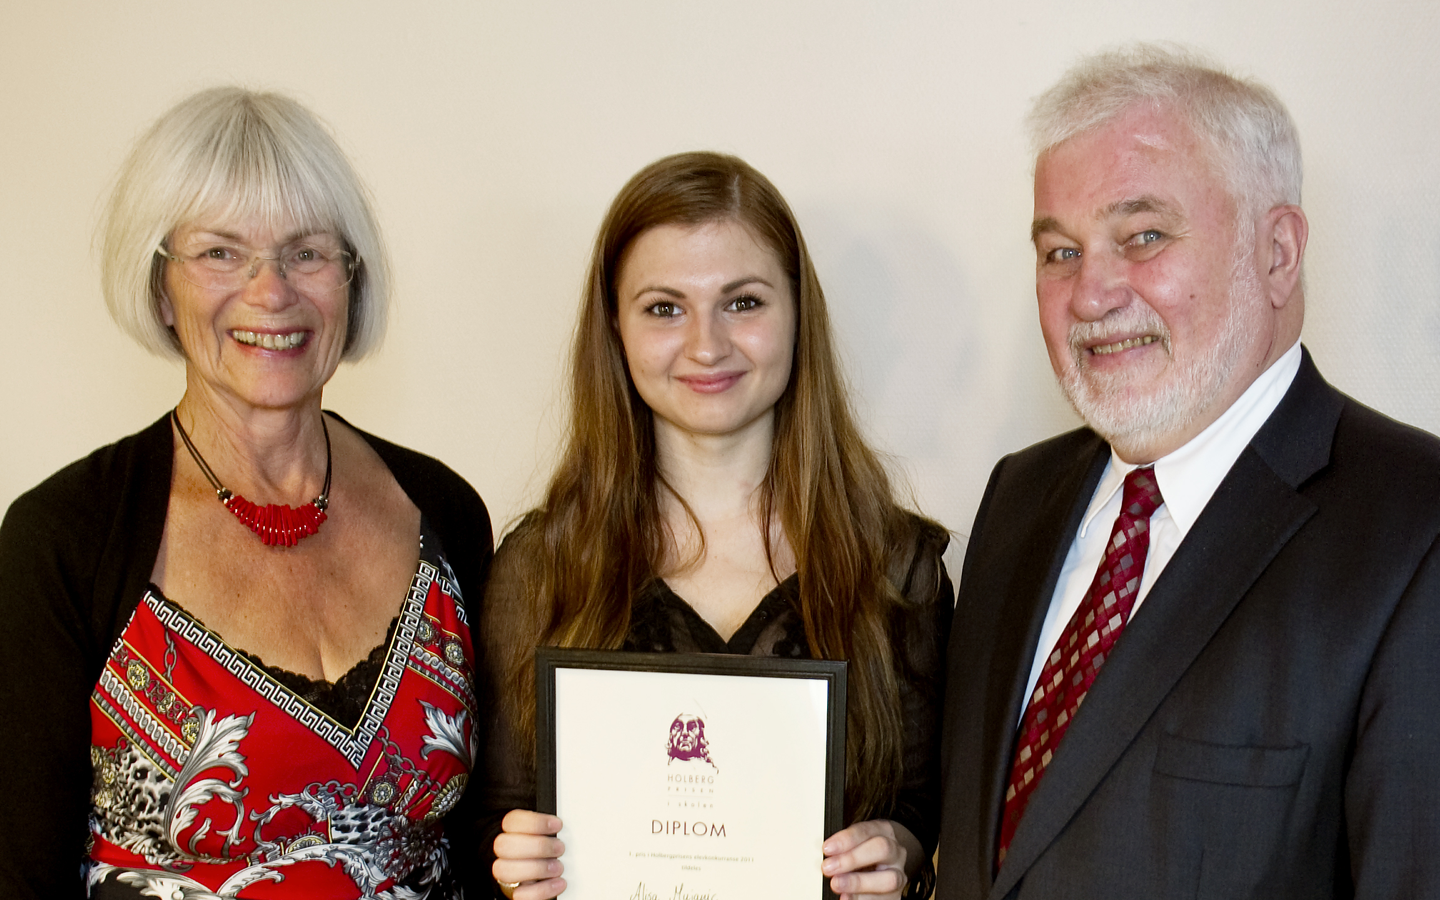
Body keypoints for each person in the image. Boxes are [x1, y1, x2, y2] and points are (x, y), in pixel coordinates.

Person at [935, 44, 1440, 899]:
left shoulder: (1414, 528)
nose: (1091, 294)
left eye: (1144, 237)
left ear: (1278, 252)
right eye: (1059, 251)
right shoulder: (1018, 499)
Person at [0, 88, 492, 898]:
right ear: (163, 288)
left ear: (350, 279)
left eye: (308, 253)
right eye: (221, 253)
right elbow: (19, 873)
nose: (272, 292)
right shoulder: (65, 537)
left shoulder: (443, 511)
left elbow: (486, 832)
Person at [477, 152, 952, 900]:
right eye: (664, 307)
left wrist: (897, 848)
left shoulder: (897, 567)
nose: (706, 345)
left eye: (744, 302)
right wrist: (513, 862)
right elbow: (500, 814)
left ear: (798, 311)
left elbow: (921, 807)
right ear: (615, 326)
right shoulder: (541, 566)